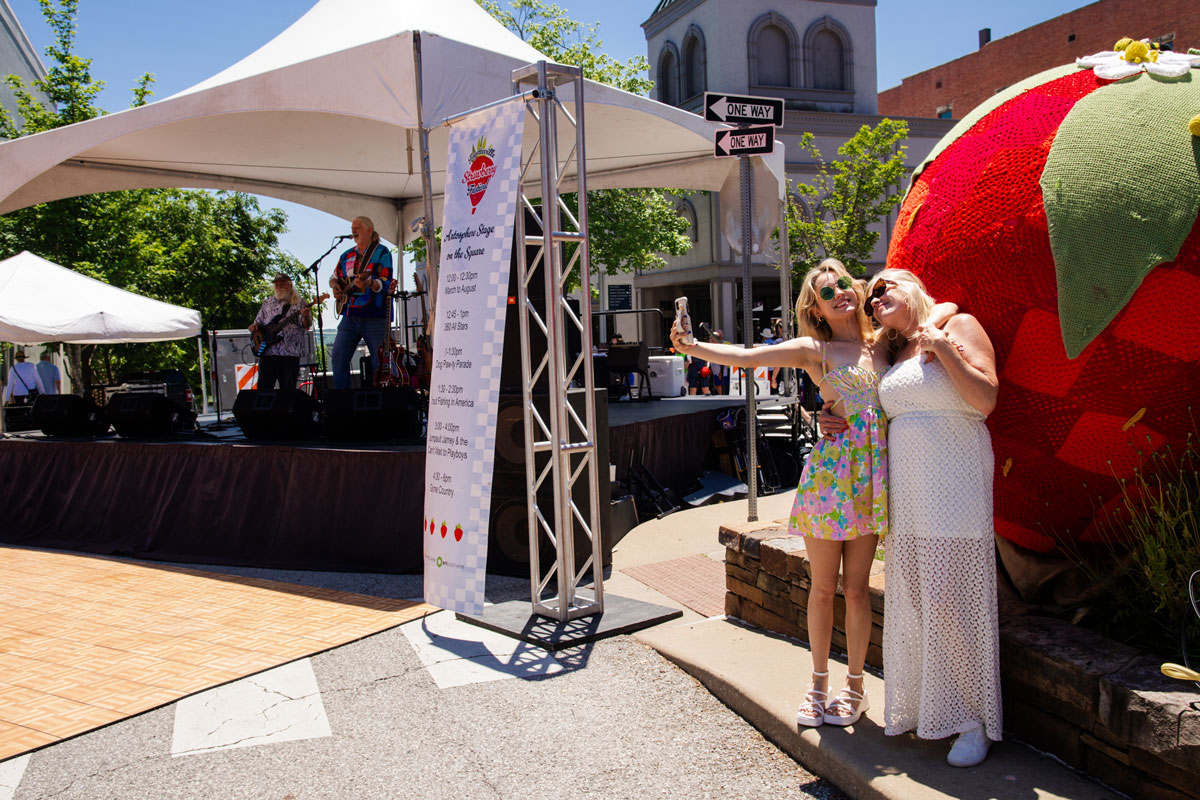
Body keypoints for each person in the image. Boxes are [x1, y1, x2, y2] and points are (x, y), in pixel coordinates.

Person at [670, 258, 890, 728]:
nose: (841, 296)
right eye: (827, 294)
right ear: (816, 307)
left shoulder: (884, 345)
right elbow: (749, 358)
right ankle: (817, 686)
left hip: (872, 483)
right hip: (831, 483)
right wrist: (693, 346)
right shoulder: (816, 349)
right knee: (824, 589)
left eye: (845, 285)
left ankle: (855, 689)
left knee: (856, 592)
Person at [824, 268, 1001, 767]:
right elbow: (858, 395)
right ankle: (931, 708)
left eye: (886, 287)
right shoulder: (892, 352)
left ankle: (974, 720)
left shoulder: (959, 326)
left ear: (916, 289)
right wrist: (828, 415)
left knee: (953, 603)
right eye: (871, 295)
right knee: (918, 605)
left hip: (956, 483)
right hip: (909, 495)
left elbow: (986, 398)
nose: (876, 297)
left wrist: (941, 344)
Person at [329, 216, 393, 390]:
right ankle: (343, 403)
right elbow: (334, 278)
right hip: (350, 315)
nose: (353, 230)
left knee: (380, 361)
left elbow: (386, 282)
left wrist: (369, 283)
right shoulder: (346, 255)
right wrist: (336, 287)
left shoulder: (381, 252)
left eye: (357, 227)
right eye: (352, 227)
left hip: (375, 315)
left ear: (369, 230)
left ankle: (381, 400)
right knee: (338, 357)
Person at [249, 273, 313, 391]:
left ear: (290, 285)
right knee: (263, 388)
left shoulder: (299, 303)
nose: (279, 286)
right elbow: (258, 322)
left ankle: (288, 409)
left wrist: (306, 316)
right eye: (277, 284)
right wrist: (254, 327)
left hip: (289, 353)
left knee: (288, 390)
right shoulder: (267, 302)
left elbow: (307, 325)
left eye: (282, 283)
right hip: (268, 351)